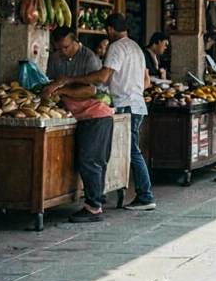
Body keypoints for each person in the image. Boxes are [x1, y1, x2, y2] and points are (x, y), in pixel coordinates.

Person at [44, 13, 155, 211]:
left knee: (131, 152)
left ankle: (145, 196)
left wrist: (68, 80)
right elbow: (146, 81)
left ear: (109, 29)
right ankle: (128, 195)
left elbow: (102, 77)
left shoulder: (116, 47)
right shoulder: (136, 47)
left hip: (125, 104)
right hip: (136, 103)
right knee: (128, 151)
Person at [48, 27, 114, 223]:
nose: (63, 52)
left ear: (75, 41)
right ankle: (96, 199)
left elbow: (91, 91)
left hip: (95, 115)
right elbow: (51, 82)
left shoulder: (89, 59)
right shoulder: (55, 58)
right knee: (92, 161)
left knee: (90, 161)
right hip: (79, 115)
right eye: (59, 48)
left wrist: (62, 90)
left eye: (66, 47)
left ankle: (93, 208)